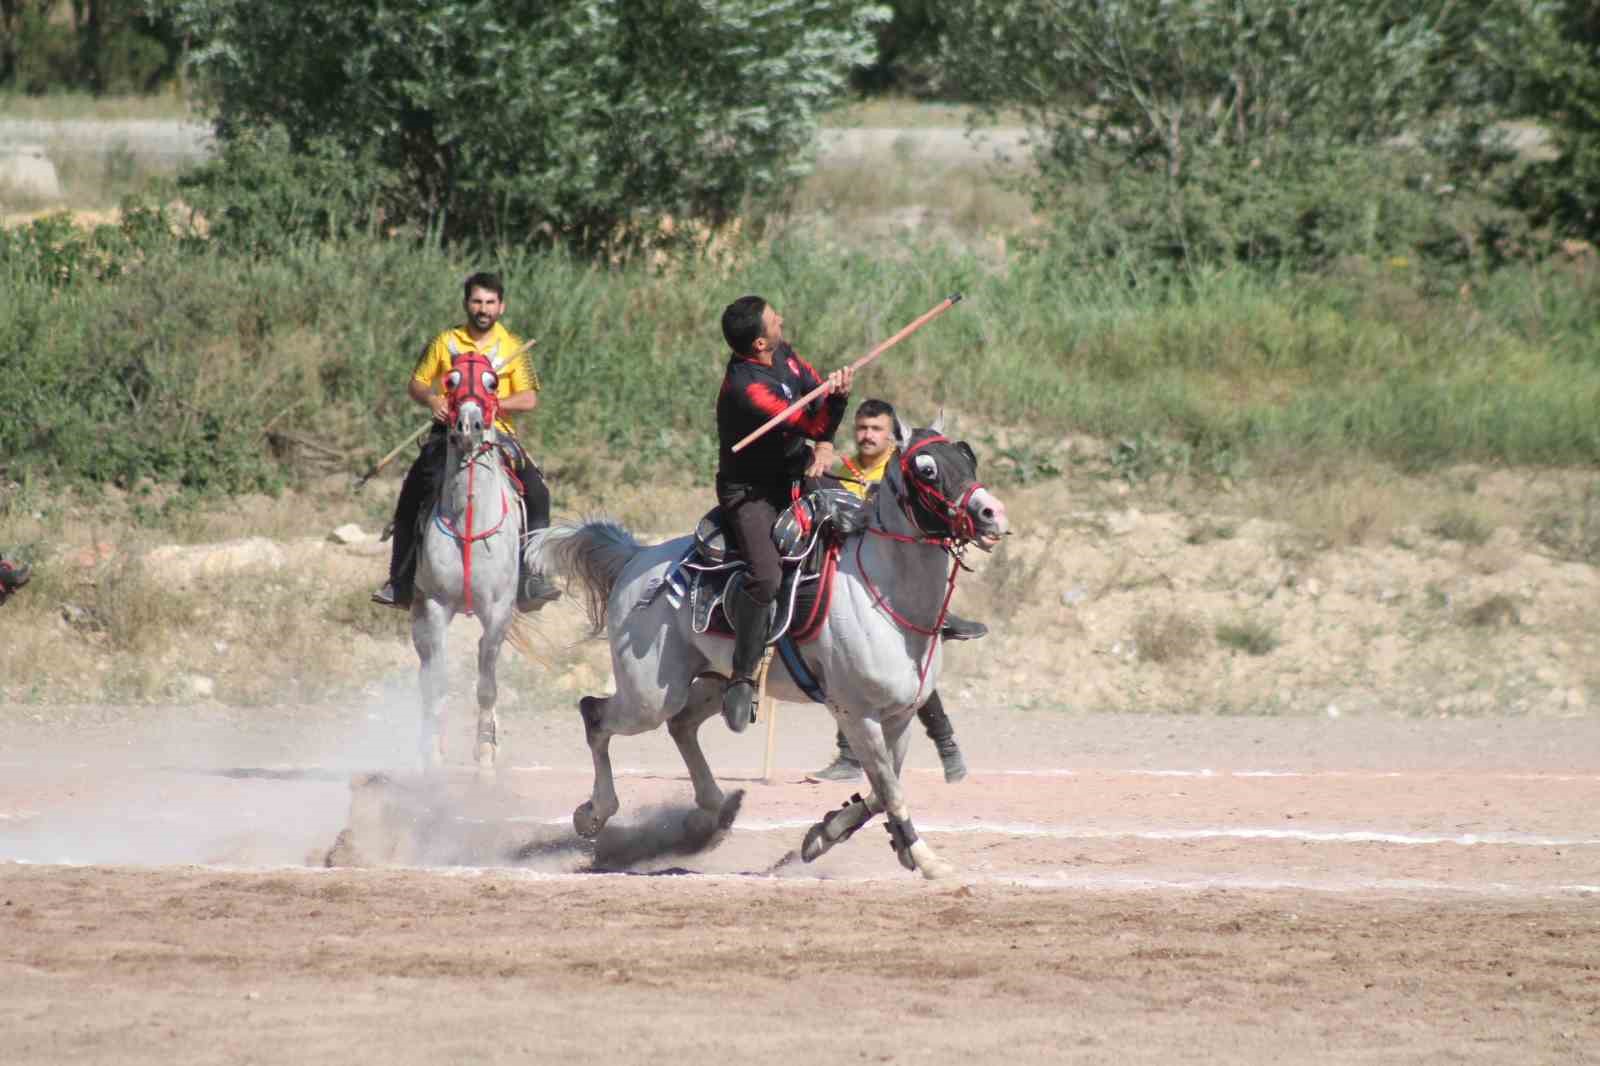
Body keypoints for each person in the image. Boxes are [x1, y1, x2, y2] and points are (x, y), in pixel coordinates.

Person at [812, 398, 986, 784]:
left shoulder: (903, 471)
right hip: (856, 576)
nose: (867, 435)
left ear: (891, 435)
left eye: (876, 429)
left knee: (907, 673)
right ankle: (852, 757)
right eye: (861, 428)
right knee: (861, 664)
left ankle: (945, 742)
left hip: (904, 582)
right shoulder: (842, 468)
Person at [373, 271, 558, 612]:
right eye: (477, 301)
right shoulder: (445, 342)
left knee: (537, 490)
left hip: (497, 432)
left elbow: (529, 399)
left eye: (490, 302)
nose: (483, 308)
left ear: (501, 306)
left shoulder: (513, 348)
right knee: (413, 489)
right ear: (466, 304)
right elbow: (417, 384)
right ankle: (400, 580)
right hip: (449, 433)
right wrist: (433, 401)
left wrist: (487, 404)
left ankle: (534, 577)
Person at [716, 294, 852, 732]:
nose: (782, 319)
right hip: (752, 493)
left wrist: (828, 424)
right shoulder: (747, 388)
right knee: (767, 576)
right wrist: (838, 404)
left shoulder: (785, 353)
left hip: (796, 470)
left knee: (857, 514)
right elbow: (811, 422)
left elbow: (815, 401)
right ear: (758, 342)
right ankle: (741, 677)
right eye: (775, 319)